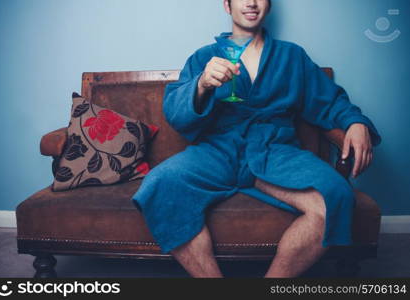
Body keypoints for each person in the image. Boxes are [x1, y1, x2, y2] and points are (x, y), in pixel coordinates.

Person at [131, 0, 382, 278]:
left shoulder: (292, 57)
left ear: (269, 6)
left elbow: (329, 101)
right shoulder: (205, 57)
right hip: (219, 150)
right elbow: (176, 116)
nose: (251, 2)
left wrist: (356, 122)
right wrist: (202, 84)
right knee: (159, 184)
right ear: (227, 5)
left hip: (275, 150)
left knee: (336, 196)